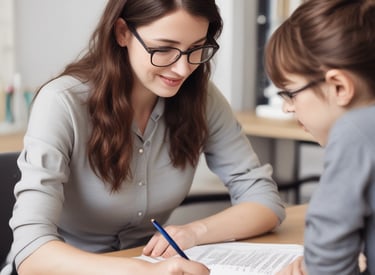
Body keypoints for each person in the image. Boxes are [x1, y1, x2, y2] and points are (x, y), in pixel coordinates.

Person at [1, 0, 286, 274]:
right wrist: (139, 271)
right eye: (164, 49)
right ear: (122, 32)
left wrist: (193, 232)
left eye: (196, 49)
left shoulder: (201, 98)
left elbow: (264, 200)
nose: (183, 69)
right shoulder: (61, 102)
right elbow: (31, 254)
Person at [263, 0, 375, 274]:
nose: (287, 107)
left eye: (290, 93)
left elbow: (328, 261)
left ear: (339, 86)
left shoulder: (358, 131)